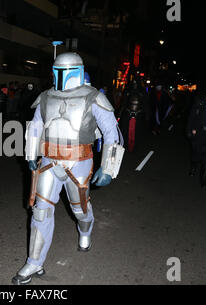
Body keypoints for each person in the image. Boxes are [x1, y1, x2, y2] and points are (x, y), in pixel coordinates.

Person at [12, 52, 124, 285]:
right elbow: (35, 127)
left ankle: (85, 232)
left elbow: (112, 133)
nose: (57, 76)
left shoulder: (93, 97)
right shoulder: (45, 97)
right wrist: (31, 153)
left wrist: (108, 167)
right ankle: (35, 262)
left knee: (80, 209)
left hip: (79, 161)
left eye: (60, 71)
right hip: (49, 162)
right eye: (55, 71)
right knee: (40, 211)